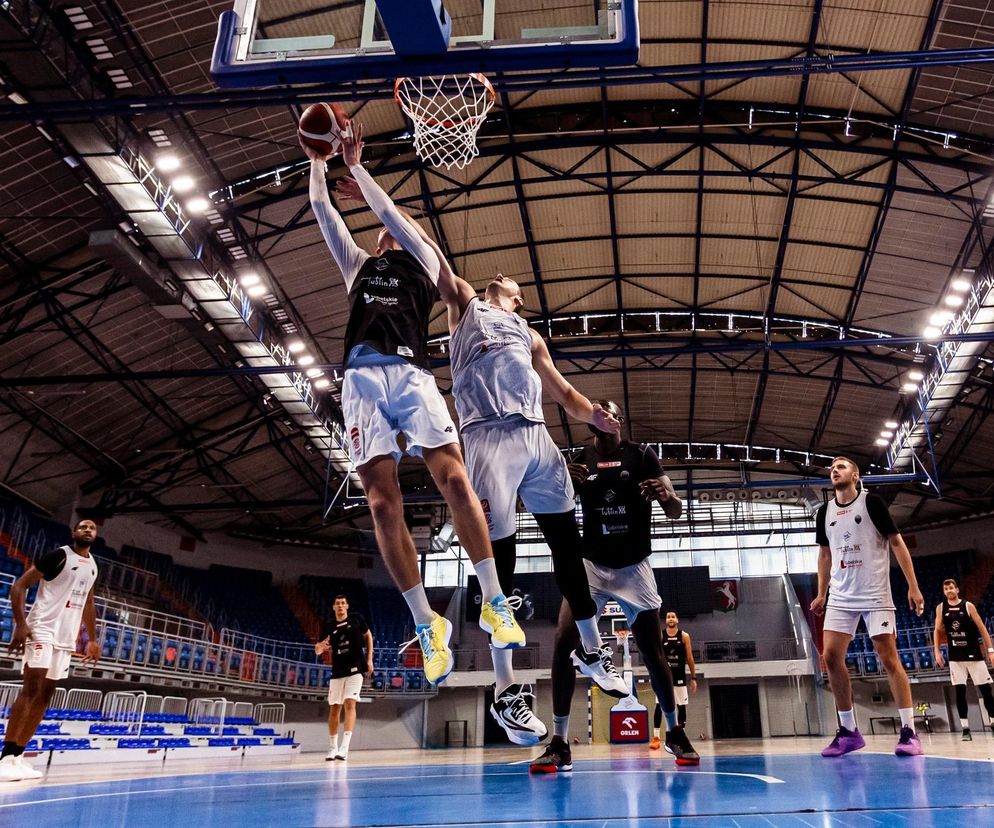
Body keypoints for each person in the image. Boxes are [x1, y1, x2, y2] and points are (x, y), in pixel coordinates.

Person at [333, 181, 629, 747]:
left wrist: (598, 419)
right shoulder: (464, 302)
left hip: (537, 438)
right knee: (505, 574)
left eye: (513, 284)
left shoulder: (530, 334)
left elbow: (565, 395)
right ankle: (506, 692)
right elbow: (425, 252)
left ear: (520, 299)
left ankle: (593, 651)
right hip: (487, 439)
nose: (505, 280)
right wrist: (382, 208)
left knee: (571, 550)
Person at [304, 121, 523, 686]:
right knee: (381, 504)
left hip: (411, 377)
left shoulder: (425, 263)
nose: (382, 235)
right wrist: (316, 162)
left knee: (454, 481)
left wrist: (356, 166)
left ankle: (495, 600)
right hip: (359, 383)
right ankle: (428, 625)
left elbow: (395, 219)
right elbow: (323, 211)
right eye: (378, 234)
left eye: (390, 230)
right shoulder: (359, 266)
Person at [530, 401, 700, 773]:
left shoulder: (642, 455)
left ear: (620, 420)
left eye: (610, 413)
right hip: (591, 565)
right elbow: (554, 508)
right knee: (562, 643)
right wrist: (565, 485)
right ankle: (559, 743)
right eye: (597, 413)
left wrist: (667, 495)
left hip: (634, 568)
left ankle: (674, 732)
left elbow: (676, 511)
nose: (604, 418)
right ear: (591, 422)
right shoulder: (579, 458)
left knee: (653, 653)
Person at [811, 456, 926, 757]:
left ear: (856, 474)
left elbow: (897, 543)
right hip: (840, 595)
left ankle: (909, 732)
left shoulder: (871, 503)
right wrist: (822, 593)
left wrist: (913, 586)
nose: (834, 470)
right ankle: (849, 731)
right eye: (832, 468)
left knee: (888, 657)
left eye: (841, 466)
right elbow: (824, 555)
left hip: (875, 592)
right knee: (831, 657)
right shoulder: (824, 511)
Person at [1, 518, 100, 782]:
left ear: (96, 535)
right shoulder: (59, 556)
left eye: (92, 528)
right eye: (83, 527)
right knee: (31, 689)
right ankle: (5, 756)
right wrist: (21, 624)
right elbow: (19, 585)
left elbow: (89, 603)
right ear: (74, 532)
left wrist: (91, 638)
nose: (87, 530)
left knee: (45, 695)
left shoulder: (92, 566)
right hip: (41, 628)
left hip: (65, 637)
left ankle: (19, 756)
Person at [933, 578, 994, 740]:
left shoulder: (968, 606)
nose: (949, 591)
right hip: (955, 658)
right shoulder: (941, 608)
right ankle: (965, 729)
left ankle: (993, 722)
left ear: (957, 589)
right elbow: (937, 630)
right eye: (946, 589)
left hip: (974, 655)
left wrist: (991, 651)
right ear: (944, 592)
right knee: (960, 693)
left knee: (986, 691)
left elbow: (982, 629)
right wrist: (937, 651)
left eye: (951, 588)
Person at [315, 594, 374, 760]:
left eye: (343, 603)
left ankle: (344, 748)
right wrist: (321, 647)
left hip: (356, 669)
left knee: (350, 703)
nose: (340, 606)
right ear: (333, 607)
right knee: (334, 707)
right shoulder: (329, 626)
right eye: (337, 604)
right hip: (338, 670)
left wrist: (369, 659)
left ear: (347, 606)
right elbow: (318, 649)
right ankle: (332, 748)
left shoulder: (356, 619)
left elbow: (368, 636)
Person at [651, 611, 697, 749]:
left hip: (680, 677)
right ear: (666, 621)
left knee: (681, 706)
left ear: (677, 620)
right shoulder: (660, 635)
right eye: (668, 617)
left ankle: (680, 736)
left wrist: (693, 677)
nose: (670, 619)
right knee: (659, 706)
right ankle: (656, 737)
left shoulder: (684, 636)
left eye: (673, 616)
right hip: (664, 677)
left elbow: (689, 657)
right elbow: (656, 655)